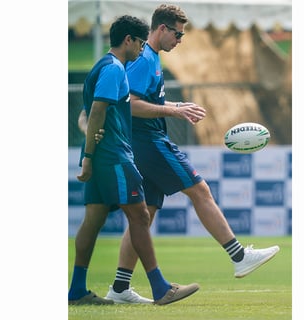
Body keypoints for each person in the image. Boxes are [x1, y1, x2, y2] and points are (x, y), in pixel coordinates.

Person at [79, 4, 280, 304]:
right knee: (199, 190)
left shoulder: (152, 58)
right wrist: (173, 111)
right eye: (177, 34)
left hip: (141, 143)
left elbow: (144, 99)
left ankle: (120, 287)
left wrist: (175, 106)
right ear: (161, 29)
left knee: (144, 217)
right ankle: (239, 256)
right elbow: (129, 104)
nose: (180, 40)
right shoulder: (143, 59)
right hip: (147, 141)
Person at [68, 15, 199, 306]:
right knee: (140, 216)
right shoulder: (115, 69)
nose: (142, 49)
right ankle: (160, 288)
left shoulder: (103, 66)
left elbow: (87, 114)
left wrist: (88, 147)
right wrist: (89, 156)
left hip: (104, 155)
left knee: (93, 220)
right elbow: (98, 110)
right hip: (114, 156)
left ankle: (77, 289)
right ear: (128, 39)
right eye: (140, 43)